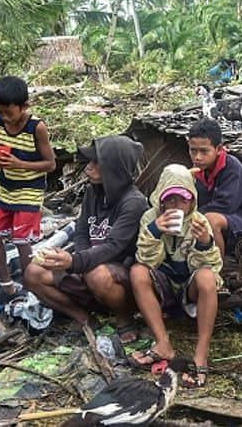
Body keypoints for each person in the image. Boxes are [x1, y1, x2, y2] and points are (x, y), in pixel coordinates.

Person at [23, 135, 147, 342]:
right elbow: (82, 231)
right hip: (87, 266)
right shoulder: (93, 192)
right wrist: (77, 259)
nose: (89, 168)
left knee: (97, 274)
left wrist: (76, 262)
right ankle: (83, 318)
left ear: (113, 168)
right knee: (32, 273)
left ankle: (124, 317)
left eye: (96, 163)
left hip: (119, 276)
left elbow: (114, 247)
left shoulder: (133, 203)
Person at [129, 163, 222, 388]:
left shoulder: (200, 221)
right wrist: (155, 232)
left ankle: (201, 354)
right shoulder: (150, 218)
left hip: (189, 288)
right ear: (161, 198)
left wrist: (203, 244)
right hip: (164, 285)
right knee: (137, 271)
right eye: (170, 199)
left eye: (183, 200)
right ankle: (162, 344)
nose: (177, 206)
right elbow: (148, 261)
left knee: (207, 277)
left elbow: (211, 268)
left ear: (192, 200)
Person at [0, 76, 56, 304]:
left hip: (29, 190)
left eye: (9, 112)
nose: (5, 117)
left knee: (22, 240)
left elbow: (50, 164)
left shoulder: (36, 127)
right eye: (0, 112)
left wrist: (20, 164)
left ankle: (33, 287)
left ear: (24, 106)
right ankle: (7, 286)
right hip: (6, 187)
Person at [187, 118, 242, 258]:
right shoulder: (197, 170)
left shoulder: (231, 168)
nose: (197, 157)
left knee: (210, 219)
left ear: (218, 149)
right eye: (193, 151)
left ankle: (216, 268)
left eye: (204, 151)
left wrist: (190, 217)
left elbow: (225, 206)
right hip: (214, 217)